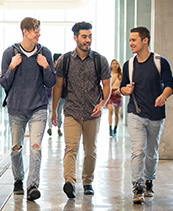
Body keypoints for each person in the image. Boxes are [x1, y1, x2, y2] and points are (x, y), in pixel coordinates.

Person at [51, 21, 111, 198]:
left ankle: (87, 181)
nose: (88, 40)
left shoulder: (100, 60)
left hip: (93, 113)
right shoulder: (65, 60)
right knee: (71, 148)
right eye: (84, 36)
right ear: (75, 37)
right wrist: (54, 110)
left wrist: (101, 103)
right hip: (71, 112)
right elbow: (58, 86)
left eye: (90, 36)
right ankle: (69, 181)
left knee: (90, 150)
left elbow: (107, 85)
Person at [0, 17, 56, 201]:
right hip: (16, 108)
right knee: (17, 148)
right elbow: (4, 82)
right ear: (25, 31)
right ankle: (18, 180)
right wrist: (12, 66)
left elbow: (50, 82)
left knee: (36, 147)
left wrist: (46, 66)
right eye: (36, 30)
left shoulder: (44, 52)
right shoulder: (10, 53)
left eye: (39, 30)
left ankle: (33, 185)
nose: (39, 34)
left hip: (38, 108)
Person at [119, 26, 173, 204]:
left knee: (151, 153)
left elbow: (170, 85)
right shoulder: (129, 65)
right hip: (135, 113)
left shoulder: (160, 62)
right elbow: (122, 86)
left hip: (156, 114)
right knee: (138, 150)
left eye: (134, 40)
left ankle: (149, 180)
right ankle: (137, 186)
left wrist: (163, 96)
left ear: (145, 40)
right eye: (130, 40)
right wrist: (125, 90)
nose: (130, 43)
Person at [47, 53, 64, 137]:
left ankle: (59, 128)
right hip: (51, 95)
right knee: (52, 111)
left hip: (62, 94)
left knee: (59, 112)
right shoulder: (51, 70)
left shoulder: (64, 70)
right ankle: (50, 127)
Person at [106, 59, 123, 137]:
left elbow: (123, 84)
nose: (115, 65)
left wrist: (119, 90)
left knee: (117, 113)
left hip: (118, 94)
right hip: (110, 93)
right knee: (110, 110)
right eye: (113, 63)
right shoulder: (109, 74)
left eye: (116, 63)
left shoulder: (120, 75)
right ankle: (110, 128)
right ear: (111, 65)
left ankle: (115, 128)